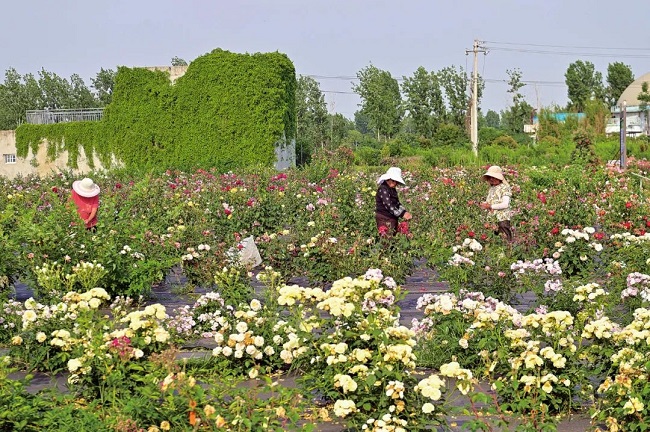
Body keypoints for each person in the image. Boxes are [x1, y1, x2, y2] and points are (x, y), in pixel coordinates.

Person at [479, 165, 513, 242]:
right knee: (494, 241)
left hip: (502, 219)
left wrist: (490, 206)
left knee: (505, 241)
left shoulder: (505, 187)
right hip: (492, 219)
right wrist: (483, 205)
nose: (491, 179)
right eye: (490, 177)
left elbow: (505, 204)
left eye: (494, 177)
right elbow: (490, 201)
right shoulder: (492, 188)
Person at [375, 167, 412, 236]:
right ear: (389, 179)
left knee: (392, 237)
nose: (396, 184)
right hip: (384, 218)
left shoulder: (392, 189)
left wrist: (404, 212)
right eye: (396, 181)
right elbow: (389, 206)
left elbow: (397, 203)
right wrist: (402, 215)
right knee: (386, 240)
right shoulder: (383, 189)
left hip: (392, 218)